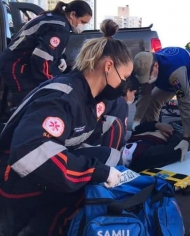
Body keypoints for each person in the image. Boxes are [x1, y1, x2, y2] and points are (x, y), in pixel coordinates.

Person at [0, 19, 133, 235]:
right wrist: (94, 172)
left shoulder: (88, 98)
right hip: (14, 178)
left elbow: (83, 138)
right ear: (108, 67)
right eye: (124, 77)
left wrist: (103, 169)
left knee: (111, 158)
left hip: (39, 167)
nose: (124, 84)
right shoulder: (63, 96)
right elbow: (31, 152)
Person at [0, 0, 92, 107]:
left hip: (17, 62)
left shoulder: (54, 19)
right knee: (28, 104)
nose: (83, 26)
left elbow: (44, 46)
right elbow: (41, 59)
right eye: (83, 22)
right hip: (16, 64)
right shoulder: (59, 27)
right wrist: (50, 84)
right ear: (73, 14)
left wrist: (61, 57)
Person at [121, 121, 190, 172]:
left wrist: (158, 125)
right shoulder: (143, 157)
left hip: (168, 128)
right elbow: (174, 150)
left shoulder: (121, 143)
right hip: (179, 137)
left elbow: (137, 129)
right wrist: (176, 133)